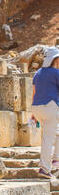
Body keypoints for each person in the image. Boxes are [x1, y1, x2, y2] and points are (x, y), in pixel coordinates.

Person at [31, 47, 59, 179]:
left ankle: (56, 159)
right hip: (50, 106)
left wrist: (33, 115)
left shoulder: (38, 73)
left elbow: (34, 93)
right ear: (55, 60)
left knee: (53, 133)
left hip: (36, 108)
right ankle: (45, 169)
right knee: (48, 138)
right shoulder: (56, 73)